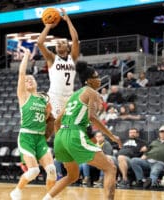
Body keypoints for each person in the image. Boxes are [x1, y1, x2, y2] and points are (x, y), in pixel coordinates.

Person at [42, 61, 122, 200]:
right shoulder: (91, 92)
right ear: (89, 80)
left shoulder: (73, 95)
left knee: (72, 176)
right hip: (74, 133)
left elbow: (57, 121)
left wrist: (60, 137)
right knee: (110, 168)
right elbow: (92, 117)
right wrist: (112, 136)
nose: (99, 79)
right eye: (96, 76)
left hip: (61, 137)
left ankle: (46, 198)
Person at [10, 48, 57, 200]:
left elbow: (49, 117)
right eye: (26, 81)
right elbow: (22, 74)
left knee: (51, 169)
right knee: (33, 172)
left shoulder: (44, 98)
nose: (28, 81)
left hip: (40, 138)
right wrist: (26, 57)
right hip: (26, 137)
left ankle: (50, 197)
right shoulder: (23, 96)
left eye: (32, 79)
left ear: (36, 82)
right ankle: (17, 190)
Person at [37, 8, 79, 118]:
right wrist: (48, 26)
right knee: (58, 123)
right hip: (55, 96)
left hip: (70, 96)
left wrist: (68, 20)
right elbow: (40, 43)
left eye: (63, 42)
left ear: (68, 48)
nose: (59, 43)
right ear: (55, 49)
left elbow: (75, 39)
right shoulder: (52, 58)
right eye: (57, 43)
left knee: (69, 126)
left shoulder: (72, 57)